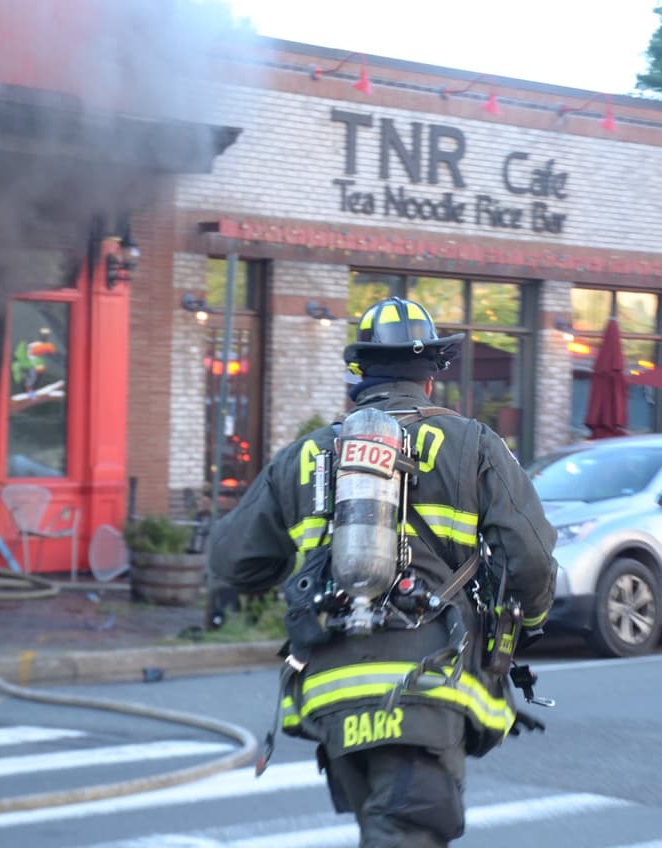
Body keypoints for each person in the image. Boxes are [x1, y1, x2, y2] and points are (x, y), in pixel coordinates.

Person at [208, 296, 557, 847]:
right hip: (430, 684)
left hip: (332, 692)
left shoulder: (306, 455)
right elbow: (529, 557)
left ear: (360, 374)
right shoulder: (472, 444)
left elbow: (232, 561)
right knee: (406, 832)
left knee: (387, 828)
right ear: (431, 376)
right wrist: (530, 621)